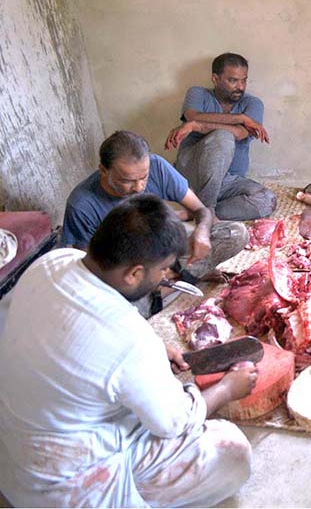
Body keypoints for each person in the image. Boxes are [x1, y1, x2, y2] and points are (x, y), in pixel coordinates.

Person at [0, 195, 258, 507]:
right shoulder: (129, 340)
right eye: (162, 270)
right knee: (232, 451)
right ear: (134, 273)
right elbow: (174, 423)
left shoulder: (52, 261)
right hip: (64, 487)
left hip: (12, 461)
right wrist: (227, 389)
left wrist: (149, 349)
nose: (164, 277)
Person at [62, 130, 248, 292]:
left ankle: (173, 280)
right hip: (129, 270)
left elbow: (201, 210)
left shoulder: (157, 166)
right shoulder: (81, 205)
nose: (139, 187)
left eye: (144, 177)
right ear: (104, 171)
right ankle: (180, 279)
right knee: (123, 304)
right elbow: (91, 272)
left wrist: (202, 232)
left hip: (164, 250)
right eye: (126, 181)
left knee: (235, 233)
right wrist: (143, 277)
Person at [165, 52, 277, 220]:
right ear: (215, 79)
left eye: (243, 80)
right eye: (233, 80)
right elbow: (193, 116)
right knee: (223, 136)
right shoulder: (198, 93)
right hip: (193, 175)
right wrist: (241, 118)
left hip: (228, 182)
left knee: (267, 200)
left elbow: (239, 133)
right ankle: (207, 210)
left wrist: (198, 126)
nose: (240, 86)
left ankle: (197, 211)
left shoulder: (253, 104)